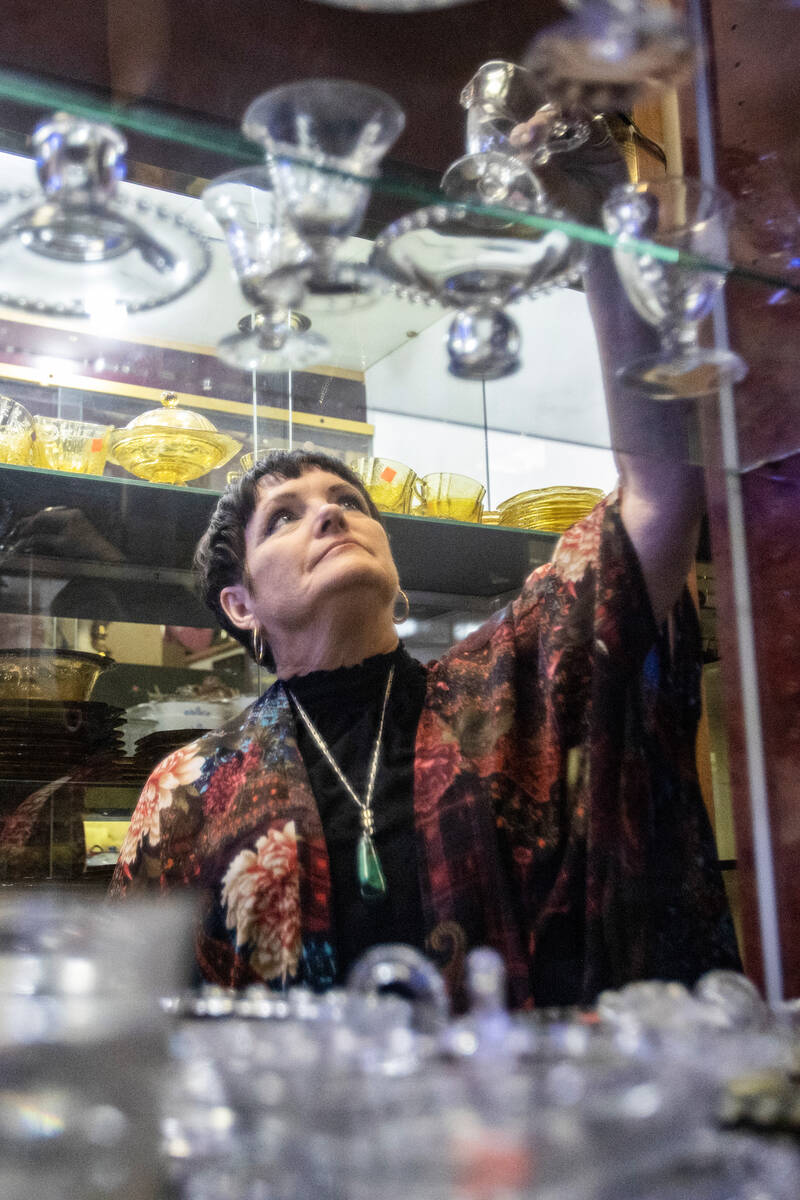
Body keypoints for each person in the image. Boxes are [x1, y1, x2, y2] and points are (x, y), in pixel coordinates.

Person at [109, 120, 740, 1008]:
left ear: (396, 573)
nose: (329, 509)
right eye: (283, 517)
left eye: (349, 501)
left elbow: (662, 491)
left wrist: (608, 227)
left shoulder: (511, 681)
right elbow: (142, 1022)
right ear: (242, 606)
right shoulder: (189, 789)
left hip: (549, 1133)